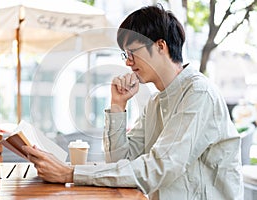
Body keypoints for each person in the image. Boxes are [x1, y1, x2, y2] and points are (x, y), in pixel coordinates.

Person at [23, 4, 244, 199]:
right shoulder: (157, 101)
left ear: (160, 46)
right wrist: (118, 106)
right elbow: (121, 160)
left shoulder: (198, 94)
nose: (128, 62)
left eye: (132, 52)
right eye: (125, 54)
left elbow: (160, 167)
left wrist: (70, 173)